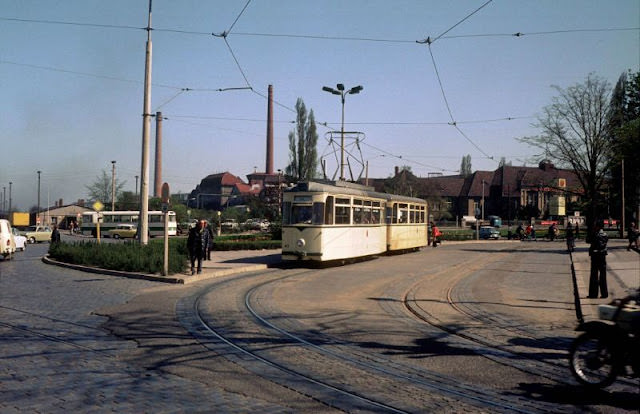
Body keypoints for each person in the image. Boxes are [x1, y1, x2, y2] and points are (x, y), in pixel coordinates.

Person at [587, 221, 608, 299]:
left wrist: (591, 232)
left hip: (595, 255)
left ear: (598, 227)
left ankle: (593, 294)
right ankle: (604, 293)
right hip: (602, 255)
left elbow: (588, 240)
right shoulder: (605, 234)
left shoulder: (595, 234)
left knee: (594, 275)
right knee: (603, 275)